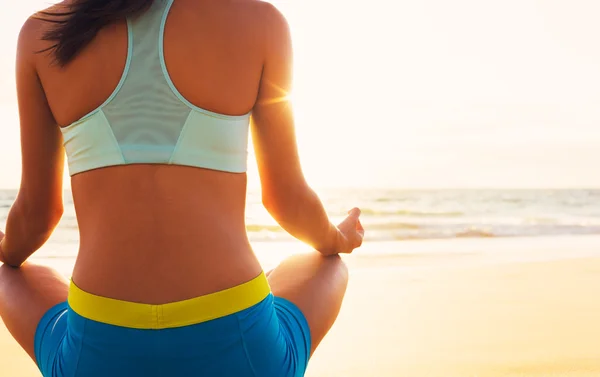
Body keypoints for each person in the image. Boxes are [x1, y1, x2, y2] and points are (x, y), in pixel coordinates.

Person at [0, 0, 364, 376]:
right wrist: (336, 239)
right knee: (324, 264)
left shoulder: (44, 32)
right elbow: (286, 201)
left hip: (99, 349)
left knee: (9, 275)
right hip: (239, 344)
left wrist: (6, 248)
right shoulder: (259, 20)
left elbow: (37, 214)